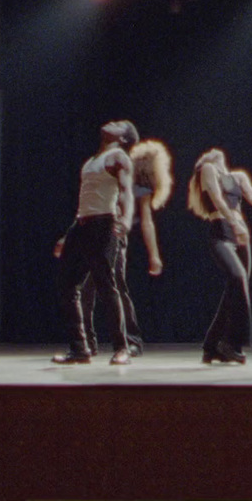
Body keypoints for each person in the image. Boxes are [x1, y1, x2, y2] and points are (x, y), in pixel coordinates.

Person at [52, 120, 139, 365]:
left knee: (106, 285)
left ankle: (122, 348)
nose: (112, 122)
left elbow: (125, 191)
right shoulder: (92, 160)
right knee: (67, 284)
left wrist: (126, 218)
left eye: (119, 124)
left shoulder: (118, 157)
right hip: (82, 224)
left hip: (103, 224)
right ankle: (80, 348)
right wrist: (68, 234)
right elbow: (87, 199)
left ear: (123, 138)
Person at [81, 138, 171, 358]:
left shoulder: (139, 188)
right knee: (90, 288)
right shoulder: (116, 176)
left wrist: (155, 256)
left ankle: (130, 341)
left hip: (115, 238)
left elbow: (147, 221)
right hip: (100, 234)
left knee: (113, 287)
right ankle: (89, 342)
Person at [187, 148, 252, 364]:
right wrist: (235, 223)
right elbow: (218, 199)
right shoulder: (208, 170)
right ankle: (230, 344)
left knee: (235, 290)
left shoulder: (238, 176)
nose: (215, 151)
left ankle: (211, 346)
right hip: (222, 230)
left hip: (241, 233)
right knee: (237, 278)